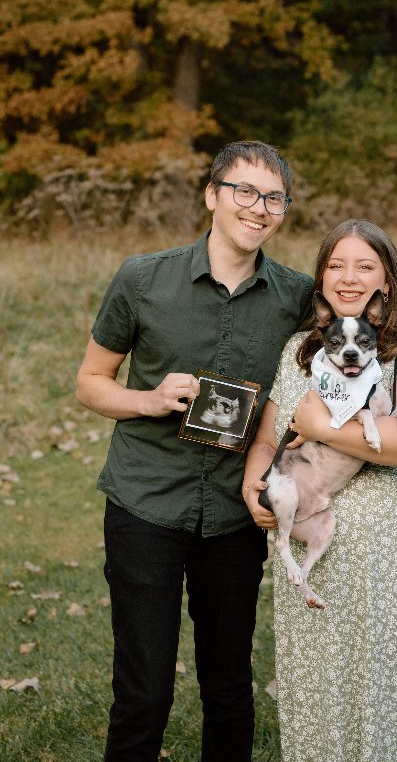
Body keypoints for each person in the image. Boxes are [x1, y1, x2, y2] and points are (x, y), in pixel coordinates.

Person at [75, 140, 313, 762]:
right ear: (212, 195)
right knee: (144, 694)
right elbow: (89, 383)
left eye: (273, 198)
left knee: (229, 689)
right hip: (144, 505)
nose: (258, 208)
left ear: (283, 210)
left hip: (236, 516)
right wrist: (150, 400)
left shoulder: (297, 297)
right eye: (244, 192)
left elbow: (369, 341)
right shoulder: (141, 278)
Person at [243, 218, 397, 762]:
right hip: (316, 540)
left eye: (365, 266)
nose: (349, 277)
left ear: (386, 282)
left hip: (394, 546)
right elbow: (271, 435)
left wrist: (319, 427)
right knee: (324, 683)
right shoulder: (301, 348)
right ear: (320, 278)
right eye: (336, 265)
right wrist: (255, 479)